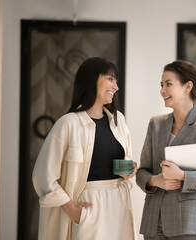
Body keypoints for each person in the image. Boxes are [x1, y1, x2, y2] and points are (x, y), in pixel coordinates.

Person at [32, 57, 137, 240]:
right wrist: (71, 209)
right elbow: (43, 176)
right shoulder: (68, 124)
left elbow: (127, 157)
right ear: (92, 79)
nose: (116, 87)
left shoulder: (118, 120)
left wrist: (130, 169)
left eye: (116, 81)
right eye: (110, 79)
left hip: (118, 204)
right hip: (88, 206)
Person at [136, 60, 196, 239]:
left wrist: (182, 176)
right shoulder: (155, 124)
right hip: (153, 222)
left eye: (168, 84)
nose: (162, 90)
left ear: (188, 87)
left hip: (187, 223)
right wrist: (156, 180)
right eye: (161, 85)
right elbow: (142, 172)